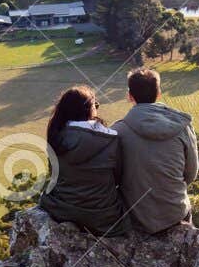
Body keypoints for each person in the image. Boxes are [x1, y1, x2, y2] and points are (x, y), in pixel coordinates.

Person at [35, 85, 130, 236]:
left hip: (61, 210)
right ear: (90, 109)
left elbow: (54, 176)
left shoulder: (56, 136)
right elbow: (118, 177)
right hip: (103, 216)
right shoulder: (111, 138)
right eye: (95, 105)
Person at [115, 67, 199, 235]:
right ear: (159, 92)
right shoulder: (182, 127)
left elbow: (114, 178)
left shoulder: (117, 131)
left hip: (135, 218)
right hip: (176, 215)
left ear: (130, 96)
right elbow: (191, 173)